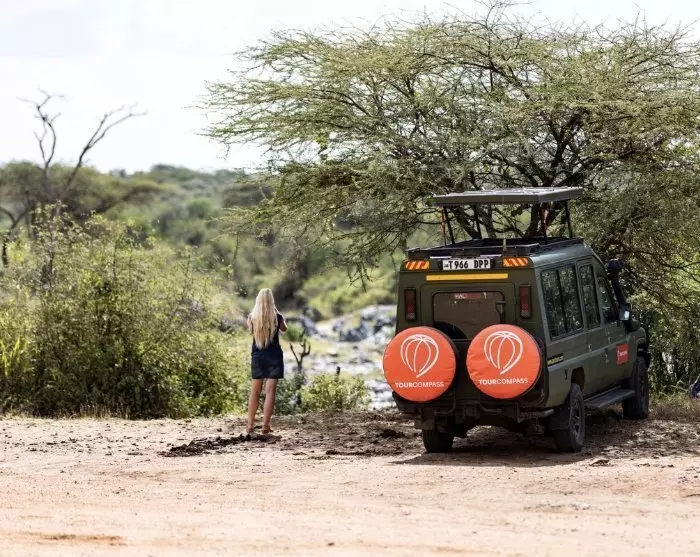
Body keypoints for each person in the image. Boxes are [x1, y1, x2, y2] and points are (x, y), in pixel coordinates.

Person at [245, 288, 286, 435]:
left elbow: (250, 330)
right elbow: (284, 329)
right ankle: (265, 426)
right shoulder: (277, 317)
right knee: (270, 392)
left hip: (258, 357)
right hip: (274, 357)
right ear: (271, 301)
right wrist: (276, 311)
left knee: (255, 391)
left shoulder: (252, 317)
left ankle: (250, 425)